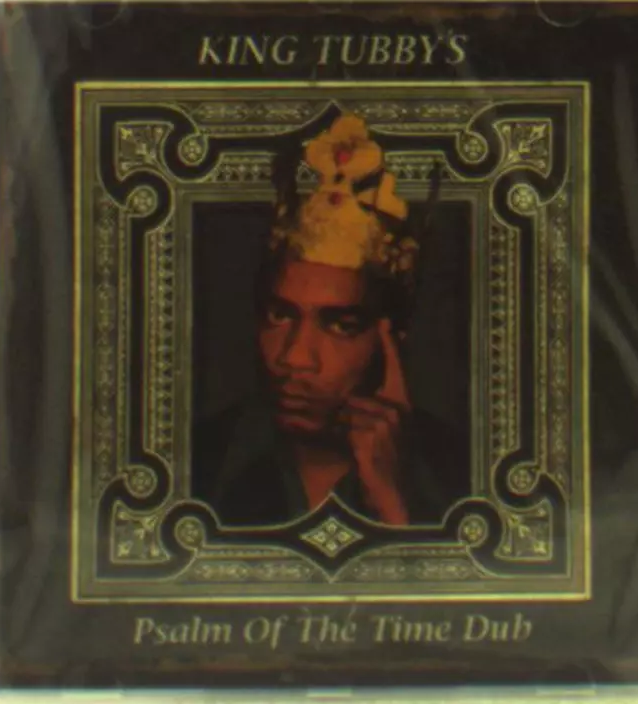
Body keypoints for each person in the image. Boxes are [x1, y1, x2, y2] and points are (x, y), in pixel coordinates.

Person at [192, 114, 467, 527]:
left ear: (390, 339)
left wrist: (392, 506)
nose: (295, 358)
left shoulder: (460, 471)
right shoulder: (198, 463)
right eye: (279, 316)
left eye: (339, 326)